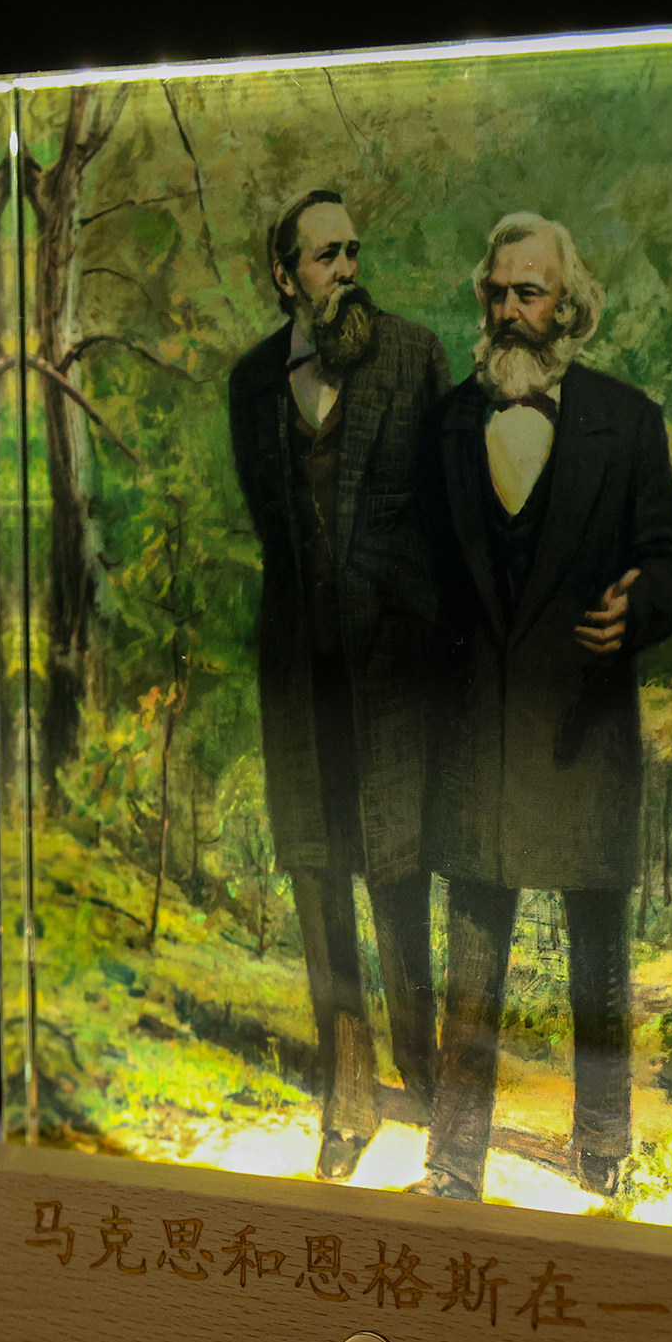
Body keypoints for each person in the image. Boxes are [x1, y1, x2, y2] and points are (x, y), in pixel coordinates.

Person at [413, 212, 672, 1201]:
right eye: (495, 292)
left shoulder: (629, 419)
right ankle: (454, 1161)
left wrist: (639, 607)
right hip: (479, 738)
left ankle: (604, 1145)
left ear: (565, 304)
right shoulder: (447, 425)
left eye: (526, 292)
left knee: (599, 959)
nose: (507, 310)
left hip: (584, 731)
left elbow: (670, 556)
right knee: (472, 961)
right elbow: (417, 572)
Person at [228, 189, 453, 1180]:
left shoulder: (414, 358)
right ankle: (348, 1092)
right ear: (286, 276)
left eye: (353, 250)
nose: (347, 269)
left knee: (398, 867)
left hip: (396, 670)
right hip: (300, 674)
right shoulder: (251, 383)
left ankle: (423, 1064)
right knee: (318, 874)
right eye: (326, 256)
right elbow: (272, 526)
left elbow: (443, 519)